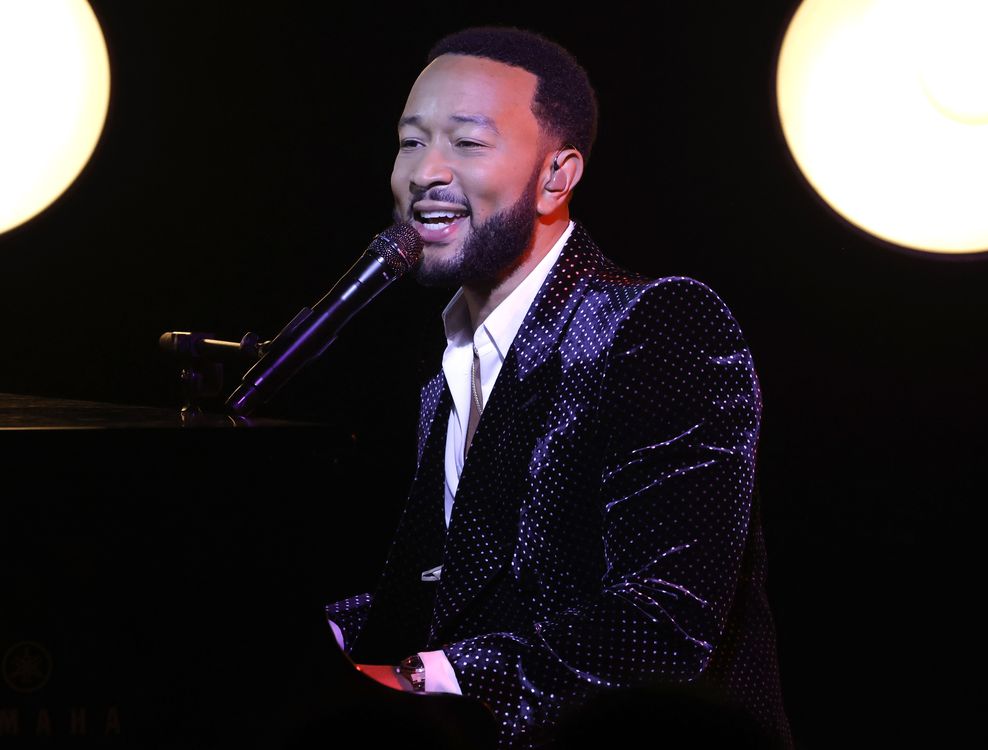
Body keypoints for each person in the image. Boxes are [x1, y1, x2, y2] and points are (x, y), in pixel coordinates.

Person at [325, 25, 793, 750]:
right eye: (411, 141)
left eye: (468, 143)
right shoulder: (442, 352)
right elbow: (454, 587)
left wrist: (420, 677)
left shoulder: (659, 323)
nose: (426, 173)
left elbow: (662, 621)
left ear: (556, 176)